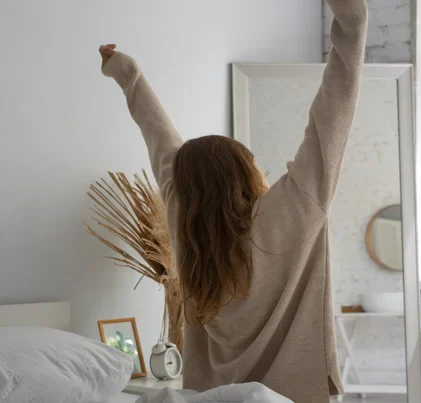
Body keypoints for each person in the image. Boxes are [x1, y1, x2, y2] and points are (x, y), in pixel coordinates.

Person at [99, 0, 367, 401]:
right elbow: (332, 115)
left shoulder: (188, 229)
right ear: (245, 171)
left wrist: (128, 75)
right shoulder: (291, 210)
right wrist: (351, 20)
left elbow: (162, 145)